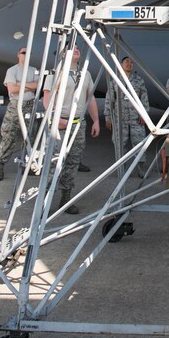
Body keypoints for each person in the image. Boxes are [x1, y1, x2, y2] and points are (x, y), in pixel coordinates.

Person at [43, 45, 100, 214]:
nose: (76, 49)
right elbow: (47, 99)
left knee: (73, 162)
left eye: (77, 48)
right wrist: (55, 119)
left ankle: (65, 200)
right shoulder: (56, 73)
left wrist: (96, 120)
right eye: (71, 48)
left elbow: (90, 99)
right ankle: (44, 202)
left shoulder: (86, 74)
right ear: (63, 54)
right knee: (54, 163)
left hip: (78, 125)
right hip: (59, 124)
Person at [0, 47, 39, 181]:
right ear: (18, 55)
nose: (26, 54)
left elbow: (38, 85)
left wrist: (21, 84)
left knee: (30, 137)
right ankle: (0, 165)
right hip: (15, 106)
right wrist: (28, 86)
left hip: (30, 105)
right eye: (23, 52)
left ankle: (28, 165)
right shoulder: (12, 70)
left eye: (28, 53)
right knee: (8, 136)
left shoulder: (33, 70)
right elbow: (12, 89)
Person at [105, 56, 150, 179]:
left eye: (131, 62)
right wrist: (108, 117)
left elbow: (144, 99)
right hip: (120, 119)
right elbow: (109, 100)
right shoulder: (115, 81)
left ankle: (141, 170)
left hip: (136, 119)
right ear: (121, 64)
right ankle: (122, 170)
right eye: (126, 62)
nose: (129, 64)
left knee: (140, 144)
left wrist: (144, 115)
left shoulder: (139, 80)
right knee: (120, 145)